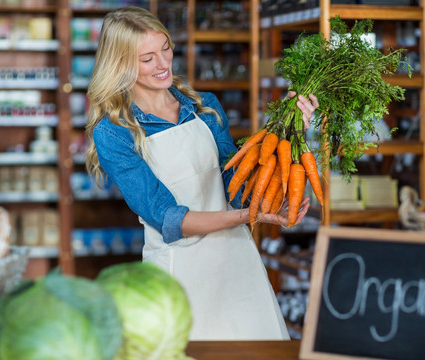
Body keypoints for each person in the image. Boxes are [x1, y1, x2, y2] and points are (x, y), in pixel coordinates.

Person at [85, 6, 319, 341]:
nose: (164, 64)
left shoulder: (204, 107)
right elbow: (168, 219)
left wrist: (290, 131)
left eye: (165, 49)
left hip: (239, 267)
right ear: (121, 63)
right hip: (178, 276)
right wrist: (249, 215)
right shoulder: (115, 132)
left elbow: (237, 187)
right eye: (147, 58)